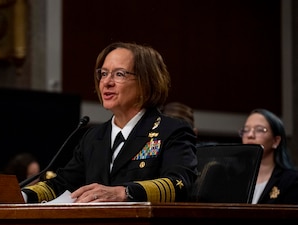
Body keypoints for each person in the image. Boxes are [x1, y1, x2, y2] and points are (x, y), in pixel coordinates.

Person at [21, 42, 197, 203]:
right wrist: (22, 195)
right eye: (103, 74)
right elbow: (62, 185)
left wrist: (124, 192)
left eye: (119, 74)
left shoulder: (172, 131)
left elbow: (179, 183)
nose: (106, 82)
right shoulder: (93, 137)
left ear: (146, 82)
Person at [239, 108, 298, 204]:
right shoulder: (235, 179)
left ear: (276, 141)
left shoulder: (291, 181)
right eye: (246, 130)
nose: (250, 135)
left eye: (259, 130)